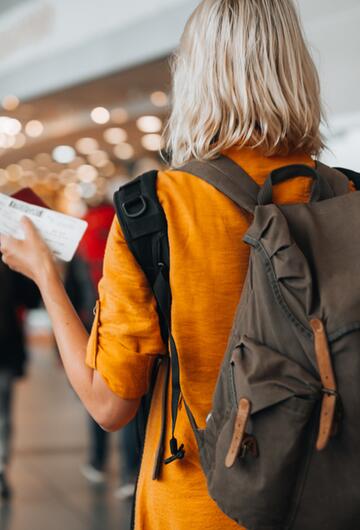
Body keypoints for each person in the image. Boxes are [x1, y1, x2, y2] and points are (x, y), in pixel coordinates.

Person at [0, 0, 351, 527]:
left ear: (196, 75)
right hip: (331, 497)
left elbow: (109, 404)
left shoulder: (154, 208)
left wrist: (47, 278)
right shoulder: (345, 196)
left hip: (199, 503)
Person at [65, 201, 139, 494]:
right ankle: (130, 473)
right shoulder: (125, 223)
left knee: (96, 394)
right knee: (129, 396)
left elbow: (70, 287)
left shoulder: (82, 233)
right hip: (123, 322)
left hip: (88, 325)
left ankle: (97, 462)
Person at [0, 260, 39, 500]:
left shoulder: (9, 261)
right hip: (6, 350)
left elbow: (31, 299)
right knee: (3, 415)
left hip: (5, 351)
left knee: (3, 414)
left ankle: (1, 470)